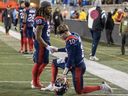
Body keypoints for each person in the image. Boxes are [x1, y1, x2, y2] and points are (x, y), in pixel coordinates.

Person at [41, 24, 113, 95]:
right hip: (73, 63)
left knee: (79, 91)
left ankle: (102, 87)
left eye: (61, 35)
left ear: (66, 32)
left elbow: (70, 59)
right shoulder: (74, 35)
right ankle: (52, 84)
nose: (60, 37)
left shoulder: (71, 40)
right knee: (54, 63)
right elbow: (70, 49)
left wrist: (64, 74)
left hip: (77, 67)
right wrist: (58, 50)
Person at [31, 1, 55, 89]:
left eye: (51, 8)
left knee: (45, 62)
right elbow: (38, 36)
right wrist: (47, 46)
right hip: (41, 43)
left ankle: (35, 79)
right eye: (49, 8)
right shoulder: (40, 19)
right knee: (39, 63)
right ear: (43, 8)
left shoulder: (45, 17)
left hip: (44, 42)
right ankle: (35, 82)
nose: (51, 10)